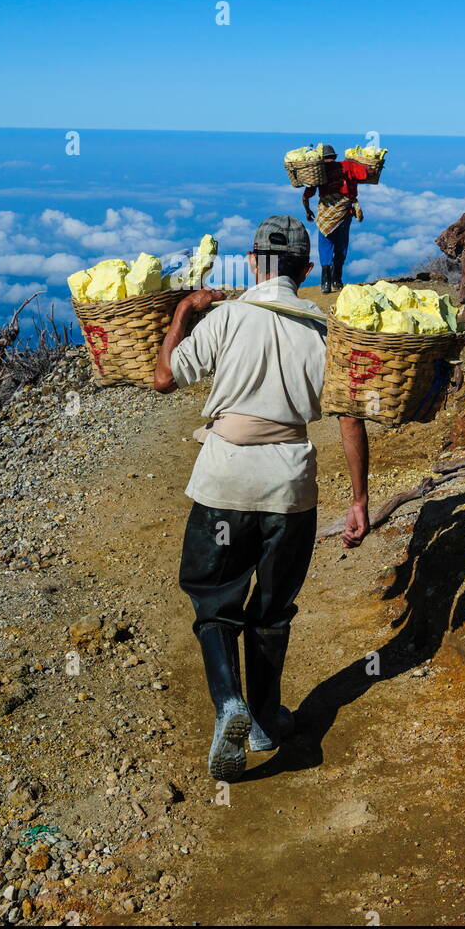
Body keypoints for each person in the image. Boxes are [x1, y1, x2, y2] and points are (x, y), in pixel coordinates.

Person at [154, 215, 370, 782]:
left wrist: (181, 314)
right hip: (289, 487)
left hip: (225, 478)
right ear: (303, 271)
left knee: (215, 600)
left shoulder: (227, 317)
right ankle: (267, 720)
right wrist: (359, 499)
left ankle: (230, 703)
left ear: (253, 264)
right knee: (273, 609)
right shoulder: (327, 332)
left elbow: (163, 379)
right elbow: (349, 415)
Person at [302, 144, 373, 293]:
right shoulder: (348, 165)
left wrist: (308, 211)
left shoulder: (318, 171)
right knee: (341, 245)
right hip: (343, 213)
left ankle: (325, 283)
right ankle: (337, 281)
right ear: (334, 156)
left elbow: (306, 196)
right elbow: (367, 174)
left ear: (321, 158)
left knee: (325, 245)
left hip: (325, 214)